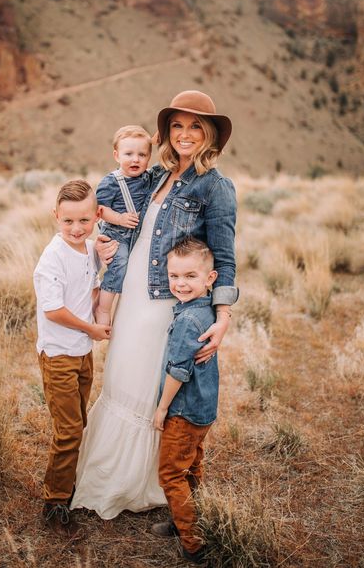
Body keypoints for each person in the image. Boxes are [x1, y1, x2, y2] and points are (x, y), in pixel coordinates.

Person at [71, 90, 238, 519]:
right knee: (121, 378)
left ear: (210, 134)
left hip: (167, 304)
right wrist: (104, 247)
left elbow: (224, 255)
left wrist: (223, 316)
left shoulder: (216, 186)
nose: (185, 134)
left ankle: (148, 481)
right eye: (178, 125)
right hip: (133, 295)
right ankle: (111, 475)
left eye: (196, 126)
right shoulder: (156, 175)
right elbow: (133, 231)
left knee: (147, 389)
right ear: (167, 132)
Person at [33, 179, 111, 535]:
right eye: (68, 222)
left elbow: (93, 284)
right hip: (60, 354)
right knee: (67, 431)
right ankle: (55, 503)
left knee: (78, 424)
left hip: (82, 354)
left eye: (84, 221)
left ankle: (69, 484)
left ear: (95, 216)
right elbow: (54, 312)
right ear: (55, 216)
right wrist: (92, 329)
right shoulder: (51, 259)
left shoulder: (89, 247)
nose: (77, 229)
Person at [152, 238, 219, 566]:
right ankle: (187, 523)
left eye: (190, 276)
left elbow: (178, 371)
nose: (180, 283)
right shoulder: (205, 311)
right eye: (174, 275)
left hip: (183, 411)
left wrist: (163, 408)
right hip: (204, 411)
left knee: (171, 473)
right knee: (192, 467)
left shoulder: (187, 322)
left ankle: (193, 543)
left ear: (210, 278)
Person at [95, 125, 152, 325]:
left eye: (142, 154)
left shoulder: (149, 178)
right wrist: (119, 218)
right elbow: (100, 209)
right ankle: (102, 309)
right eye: (128, 154)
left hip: (137, 235)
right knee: (119, 266)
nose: (135, 159)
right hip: (116, 234)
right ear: (116, 155)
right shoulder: (111, 182)